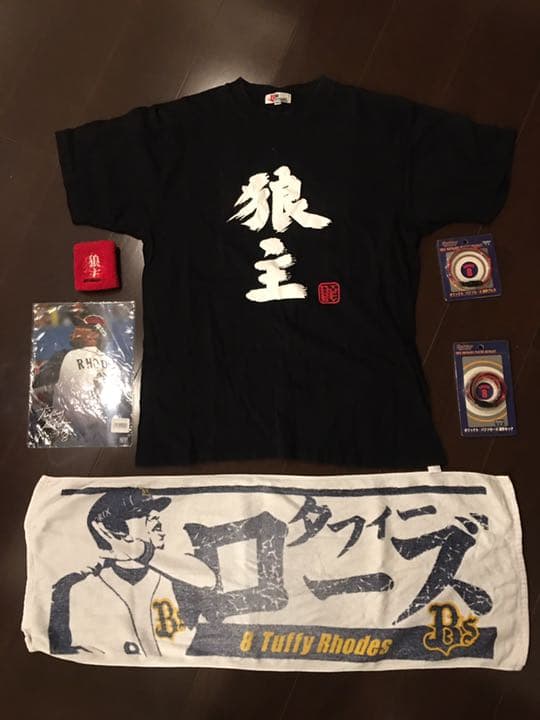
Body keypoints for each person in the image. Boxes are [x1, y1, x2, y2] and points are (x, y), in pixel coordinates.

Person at [48, 488, 216, 657]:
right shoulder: (80, 588)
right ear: (114, 529)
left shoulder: (175, 574)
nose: (156, 518)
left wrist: (140, 551)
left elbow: (208, 579)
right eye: (143, 513)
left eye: (154, 512)